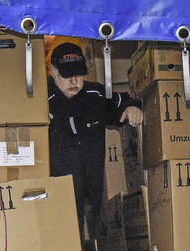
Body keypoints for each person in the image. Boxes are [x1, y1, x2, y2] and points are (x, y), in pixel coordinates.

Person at [47, 42, 143, 237]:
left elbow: (122, 101)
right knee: (64, 236)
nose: (74, 80)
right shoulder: (41, 98)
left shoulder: (96, 94)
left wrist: (132, 108)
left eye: (79, 74)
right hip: (57, 189)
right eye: (67, 75)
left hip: (94, 186)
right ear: (53, 72)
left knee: (96, 235)